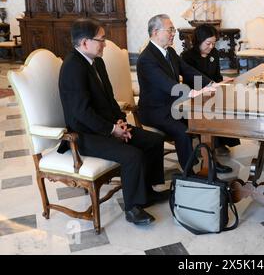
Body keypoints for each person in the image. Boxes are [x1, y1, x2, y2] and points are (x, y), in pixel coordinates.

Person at [58, 18, 168, 226]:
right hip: (84, 135)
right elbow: (82, 113)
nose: (105, 44)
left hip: (107, 125)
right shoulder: (72, 67)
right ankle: (133, 208)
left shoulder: (96, 61)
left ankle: (148, 191)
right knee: (132, 155)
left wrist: (120, 122)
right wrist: (112, 130)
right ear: (84, 43)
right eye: (101, 39)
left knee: (154, 140)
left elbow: (108, 98)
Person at [137, 14, 233, 173]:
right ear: (155, 32)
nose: (173, 33)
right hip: (156, 111)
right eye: (170, 30)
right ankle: (190, 172)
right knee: (182, 132)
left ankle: (210, 163)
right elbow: (167, 84)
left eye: (173, 30)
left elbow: (188, 71)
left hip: (174, 106)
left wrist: (211, 84)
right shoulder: (146, 58)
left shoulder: (170, 52)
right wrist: (193, 92)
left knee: (204, 120)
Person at [181, 24, 240, 156]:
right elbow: (192, 80)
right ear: (199, 40)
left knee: (227, 104)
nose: (211, 47)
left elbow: (217, 76)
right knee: (211, 108)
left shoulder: (214, 53)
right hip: (196, 94)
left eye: (213, 43)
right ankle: (212, 144)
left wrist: (223, 83)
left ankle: (222, 140)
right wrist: (211, 86)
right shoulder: (187, 56)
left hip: (213, 90)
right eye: (208, 43)